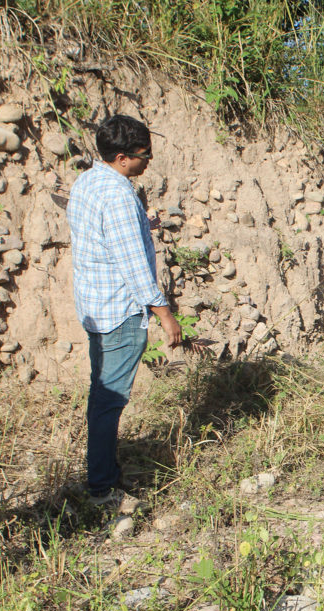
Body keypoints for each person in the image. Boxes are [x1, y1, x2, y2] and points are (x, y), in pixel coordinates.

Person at [69, 114, 182, 507]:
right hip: (118, 311)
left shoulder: (88, 181)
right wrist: (165, 314)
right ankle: (102, 488)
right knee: (109, 399)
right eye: (143, 154)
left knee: (101, 394)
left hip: (95, 306)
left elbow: (102, 236)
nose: (148, 161)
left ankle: (105, 473)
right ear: (122, 158)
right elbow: (133, 265)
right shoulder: (118, 196)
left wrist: (141, 224)